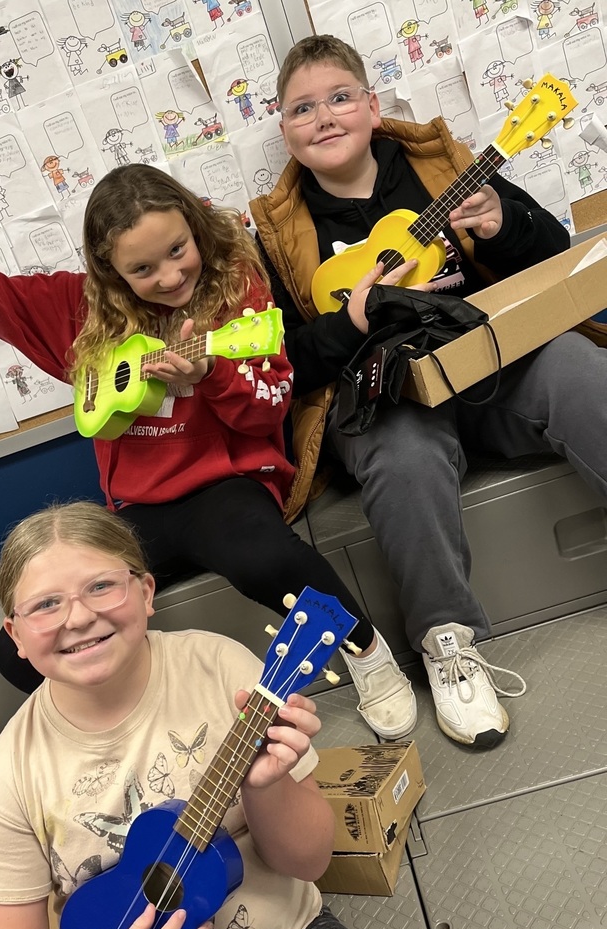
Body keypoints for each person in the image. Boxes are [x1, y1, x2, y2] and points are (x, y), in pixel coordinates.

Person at [0, 158, 418, 740]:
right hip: (135, 513)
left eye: (178, 250)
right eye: (141, 268)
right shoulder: (77, 311)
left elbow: (270, 406)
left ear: (194, 227)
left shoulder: (236, 290)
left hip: (226, 487)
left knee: (267, 560)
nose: (168, 276)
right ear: (108, 270)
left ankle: (367, 654)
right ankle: (134, 715)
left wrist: (212, 373)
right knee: (19, 654)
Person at [250, 33, 607, 749]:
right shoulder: (277, 232)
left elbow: (550, 261)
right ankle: (450, 644)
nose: (323, 117)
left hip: (492, 368)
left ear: (374, 107)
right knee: (401, 452)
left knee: (574, 365)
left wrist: (504, 227)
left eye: (340, 97)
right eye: (301, 109)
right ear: (284, 131)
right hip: (383, 400)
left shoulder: (443, 167)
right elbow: (286, 360)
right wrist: (350, 323)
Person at [0, 499, 444, 929]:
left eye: (101, 585)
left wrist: (268, 787)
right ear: (15, 637)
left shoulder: (225, 671)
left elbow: (309, 863)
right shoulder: (7, 776)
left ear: (146, 593)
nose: (79, 617)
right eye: (45, 605)